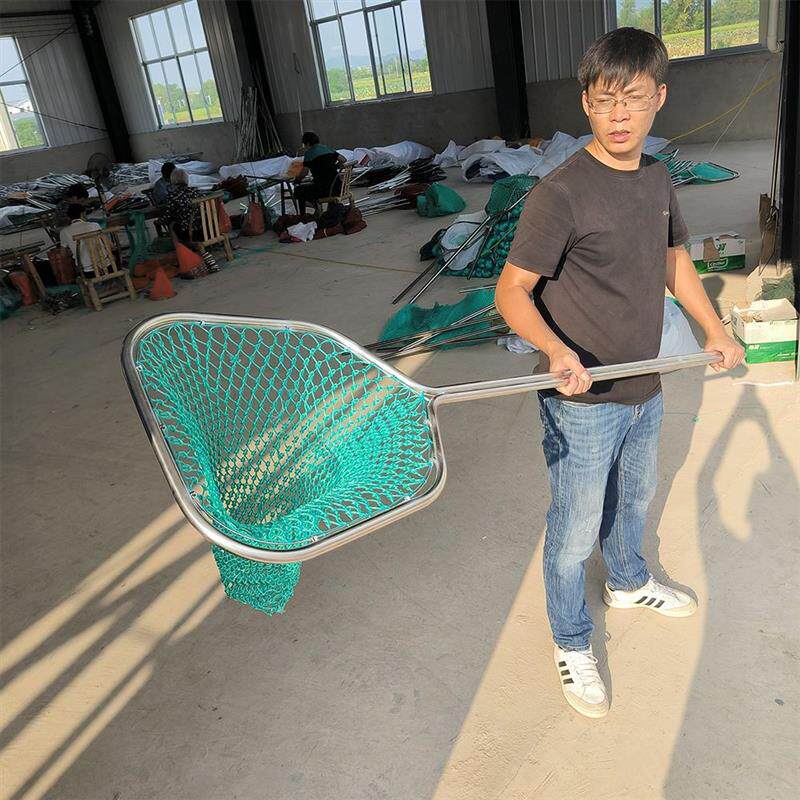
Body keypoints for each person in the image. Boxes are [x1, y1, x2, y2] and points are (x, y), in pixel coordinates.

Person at [495, 27, 743, 720]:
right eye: (604, 101)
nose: (619, 115)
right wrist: (555, 351)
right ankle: (571, 639)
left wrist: (715, 328)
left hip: (646, 380)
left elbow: (673, 260)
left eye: (633, 99)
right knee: (575, 528)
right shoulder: (560, 194)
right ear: (586, 103)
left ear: (659, 97)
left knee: (635, 499)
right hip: (581, 399)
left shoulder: (658, 178)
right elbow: (511, 292)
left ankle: (628, 581)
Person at [294, 131, 346, 214]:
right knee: (311, 186)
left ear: (308, 143)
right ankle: (317, 208)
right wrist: (335, 167)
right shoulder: (327, 148)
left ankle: (305, 214)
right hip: (338, 186)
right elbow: (343, 160)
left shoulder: (309, 154)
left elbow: (304, 173)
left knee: (298, 191)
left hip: (324, 189)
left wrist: (297, 179)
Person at [59, 203, 107, 276]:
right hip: (107, 266)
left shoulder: (64, 232)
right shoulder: (95, 225)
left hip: (87, 271)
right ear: (82, 214)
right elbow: (109, 244)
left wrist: (74, 251)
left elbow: (63, 254)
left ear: (69, 217)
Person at [161, 168, 201, 241]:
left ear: (172, 180)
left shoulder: (174, 196)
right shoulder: (196, 192)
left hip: (187, 233)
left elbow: (167, 217)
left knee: (171, 224)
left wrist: (159, 221)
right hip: (203, 229)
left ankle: (179, 245)